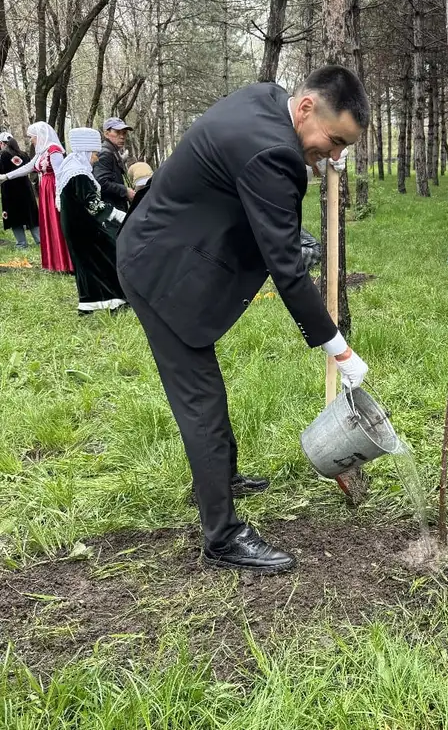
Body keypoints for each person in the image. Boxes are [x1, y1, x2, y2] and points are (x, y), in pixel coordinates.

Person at [117, 65, 371, 575]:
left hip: (171, 243)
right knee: (200, 400)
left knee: (204, 388)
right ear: (305, 109)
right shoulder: (276, 154)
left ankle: (221, 475)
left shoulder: (267, 101)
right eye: (334, 140)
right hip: (161, 270)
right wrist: (337, 347)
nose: (336, 156)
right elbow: (287, 270)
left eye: (345, 147)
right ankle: (222, 535)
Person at [57, 128, 127, 314]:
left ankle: (91, 302)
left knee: (88, 264)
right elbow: (93, 204)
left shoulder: (71, 167)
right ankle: (113, 300)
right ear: (86, 152)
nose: (96, 158)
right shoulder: (79, 174)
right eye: (94, 153)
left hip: (77, 226)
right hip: (84, 228)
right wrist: (120, 216)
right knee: (110, 255)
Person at [0, 123, 73, 272]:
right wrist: (7, 176)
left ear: (41, 135)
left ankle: (65, 262)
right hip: (45, 190)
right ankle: (55, 262)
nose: (32, 140)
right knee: (48, 223)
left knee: (57, 223)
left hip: (53, 189)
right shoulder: (42, 152)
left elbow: (60, 174)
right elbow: (28, 168)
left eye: (33, 136)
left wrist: (59, 195)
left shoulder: (54, 150)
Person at [0, 132, 40, 249]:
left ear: (2, 143)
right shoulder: (24, 154)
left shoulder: (3, 155)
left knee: (14, 217)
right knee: (30, 215)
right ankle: (39, 240)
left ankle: (21, 243)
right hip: (26, 189)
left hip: (10, 190)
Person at [95, 117, 135, 213]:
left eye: (124, 133)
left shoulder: (112, 151)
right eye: (117, 132)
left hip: (114, 207)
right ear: (106, 133)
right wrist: (125, 191)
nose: (122, 136)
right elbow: (101, 182)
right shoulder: (105, 153)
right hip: (110, 209)